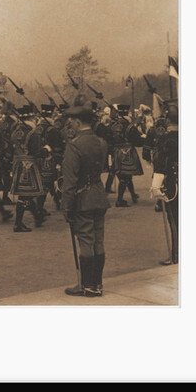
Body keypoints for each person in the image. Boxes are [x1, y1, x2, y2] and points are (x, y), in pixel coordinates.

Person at [60, 105, 111, 297]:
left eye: (71, 121)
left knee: (86, 241)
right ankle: (97, 284)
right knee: (98, 240)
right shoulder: (101, 143)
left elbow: (70, 181)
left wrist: (66, 206)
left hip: (82, 199)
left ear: (77, 122)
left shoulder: (74, 145)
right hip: (99, 196)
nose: (70, 124)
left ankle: (86, 285)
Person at [151, 103, 179, 265]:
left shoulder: (165, 139)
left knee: (175, 220)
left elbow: (160, 164)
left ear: (167, 120)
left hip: (174, 183)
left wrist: (155, 186)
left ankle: (176, 255)